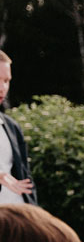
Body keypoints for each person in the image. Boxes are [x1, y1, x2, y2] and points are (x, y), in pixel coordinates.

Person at [0, 51, 36, 205]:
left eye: (6, 81)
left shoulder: (11, 126)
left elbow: (26, 178)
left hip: (16, 218)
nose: (2, 88)